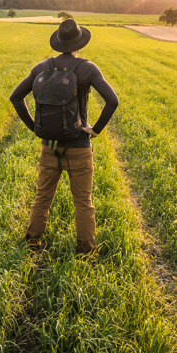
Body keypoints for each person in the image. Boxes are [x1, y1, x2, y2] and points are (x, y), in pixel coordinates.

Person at [9, 18, 119, 255]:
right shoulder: (87, 68)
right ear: (79, 43)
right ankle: (86, 252)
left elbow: (15, 97)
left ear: (58, 42)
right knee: (83, 202)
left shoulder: (41, 68)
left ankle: (32, 244)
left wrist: (35, 127)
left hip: (49, 145)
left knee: (42, 198)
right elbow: (112, 100)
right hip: (79, 146)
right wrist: (95, 129)